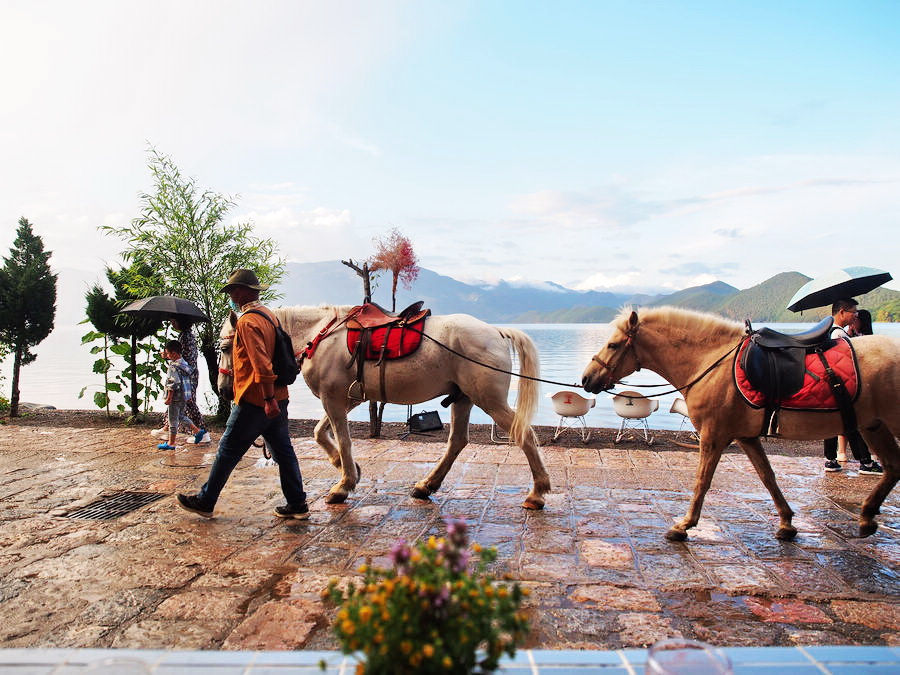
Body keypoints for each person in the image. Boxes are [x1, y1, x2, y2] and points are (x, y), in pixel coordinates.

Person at [176, 269, 309, 520]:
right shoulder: (269, 315)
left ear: (244, 291)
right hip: (278, 396)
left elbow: (261, 364)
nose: (232, 295)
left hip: (255, 399)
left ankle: (206, 500)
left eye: (233, 290)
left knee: (227, 449)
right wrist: (273, 399)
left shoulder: (248, 322)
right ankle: (297, 503)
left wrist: (267, 400)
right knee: (283, 451)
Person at [823, 299, 882, 475]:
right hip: (841, 387)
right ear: (842, 312)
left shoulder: (831, 331)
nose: (856, 315)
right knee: (852, 423)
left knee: (838, 424)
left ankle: (831, 460)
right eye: (853, 312)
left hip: (834, 387)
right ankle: (866, 463)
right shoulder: (838, 335)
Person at [151, 317, 211, 444]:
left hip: (186, 376)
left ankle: (202, 432)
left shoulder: (185, 337)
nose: (172, 324)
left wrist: (168, 357)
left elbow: (184, 358)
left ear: (181, 322)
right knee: (176, 403)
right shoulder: (187, 335)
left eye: (174, 321)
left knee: (188, 403)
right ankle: (167, 428)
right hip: (188, 374)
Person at [837, 308, 874, 461]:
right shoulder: (843, 334)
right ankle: (843, 453)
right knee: (848, 421)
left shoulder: (867, 339)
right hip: (850, 381)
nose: (854, 320)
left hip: (862, 381)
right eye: (853, 315)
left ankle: (861, 456)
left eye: (856, 318)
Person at [158, 339, 206, 450]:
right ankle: (197, 431)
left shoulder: (173, 367)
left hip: (175, 397)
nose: (167, 355)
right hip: (184, 396)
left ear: (173, 354)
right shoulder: (184, 364)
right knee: (181, 416)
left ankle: (171, 443)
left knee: (172, 420)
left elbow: (173, 383)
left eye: (168, 353)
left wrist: (169, 397)